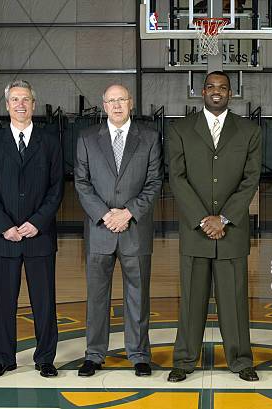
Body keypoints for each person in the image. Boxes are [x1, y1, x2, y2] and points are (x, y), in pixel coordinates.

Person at [166, 71, 261, 382]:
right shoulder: (180, 129)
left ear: (230, 93)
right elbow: (176, 178)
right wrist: (203, 219)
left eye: (223, 87)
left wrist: (224, 218)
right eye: (211, 87)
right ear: (201, 91)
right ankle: (183, 361)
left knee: (234, 301)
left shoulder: (249, 131)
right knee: (191, 300)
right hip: (196, 231)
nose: (217, 92)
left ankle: (241, 360)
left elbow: (250, 180)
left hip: (231, 231)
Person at [74, 84, 163, 377]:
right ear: (103, 104)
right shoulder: (87, 139)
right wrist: (104, 215)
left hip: (134, 230)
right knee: (96, 296)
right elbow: (82, 183)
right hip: (100, 231)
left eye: (121, 100)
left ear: (131, 103)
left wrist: (128, 213)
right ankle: (94, 354)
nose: (116, 105)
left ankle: (138, 354)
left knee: (138, 296)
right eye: (111, 100)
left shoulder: (149, 138)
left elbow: (154, 182)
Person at [0, 79, 64, 378]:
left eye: (25, 99)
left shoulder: (50, 142)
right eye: (14, 99)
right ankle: (3, 358)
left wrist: (36, 223)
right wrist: (6, 227)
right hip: (5, 238)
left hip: (39, 236)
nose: (20, 104)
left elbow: (56, 189)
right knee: (4, 302)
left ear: (33, 103)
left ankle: (45, 358)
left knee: (44, 301)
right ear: (6, 105)